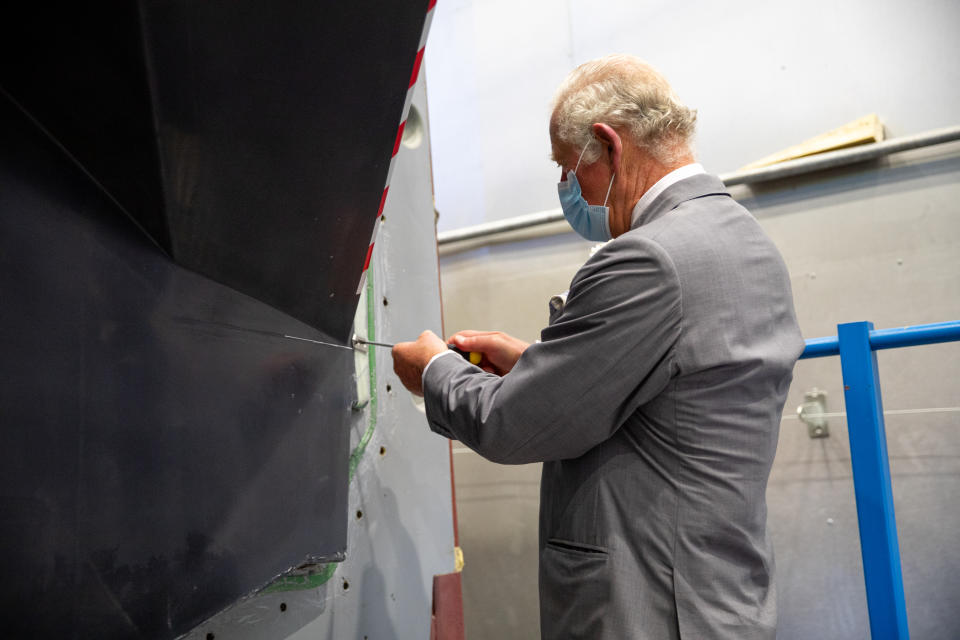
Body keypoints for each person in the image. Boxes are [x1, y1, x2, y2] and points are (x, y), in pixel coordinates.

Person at [392, 54, 804, 640]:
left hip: (648, 612)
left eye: (568, 168)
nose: (569, 189)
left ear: (610, 145)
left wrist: (433, 369)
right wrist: (539, 364)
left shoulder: (648, 258)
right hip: (716, 599)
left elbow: (514, 425)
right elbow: (666, 388)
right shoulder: (746, 241)